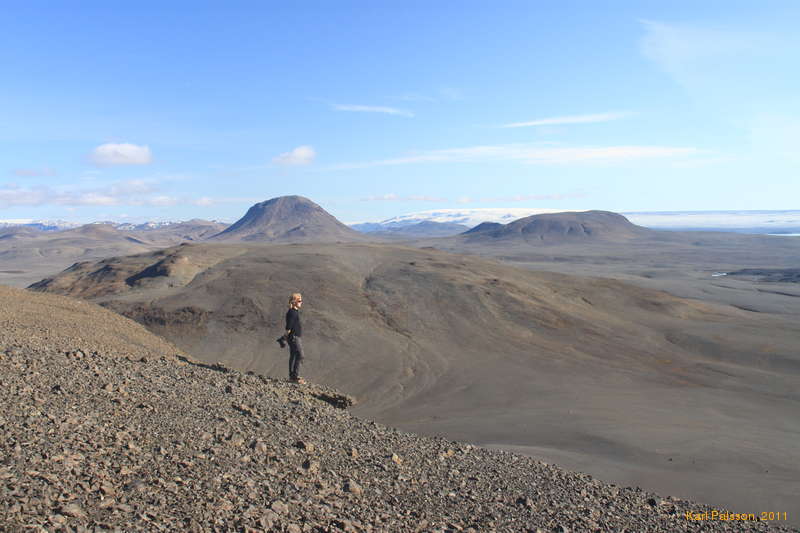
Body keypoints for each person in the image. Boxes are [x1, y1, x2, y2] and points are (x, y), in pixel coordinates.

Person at [283, 292, 305, 384]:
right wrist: (286, 336)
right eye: (299, 301)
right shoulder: (292, 313)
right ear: (294, 302)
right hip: (294, 337)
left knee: (294, 355)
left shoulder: (294, 311)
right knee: (300, 355)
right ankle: (294, 376)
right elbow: (288, 327)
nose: (301, 302)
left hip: (295, 337)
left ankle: (293, 376)